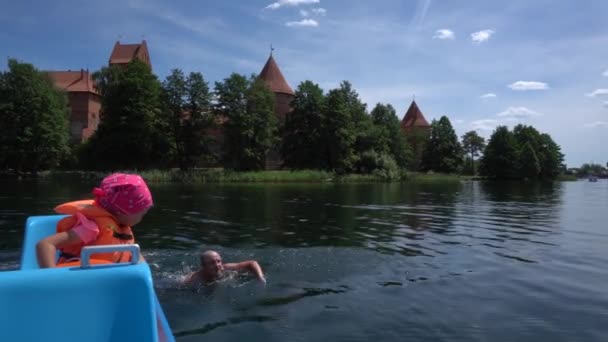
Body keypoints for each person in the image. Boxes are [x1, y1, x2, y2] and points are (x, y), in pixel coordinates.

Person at [36, 173, 153, 268]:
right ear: (122, 211)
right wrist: (52, 279)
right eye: (141, 213)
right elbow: (45, 244)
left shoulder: (121, 228)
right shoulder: (91, 228)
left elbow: (132, 254)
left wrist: (143, 272)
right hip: (77, 282)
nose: (142, 217)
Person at [184, 250, 266, 286]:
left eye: (218, 261)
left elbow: (252, 263)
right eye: (212, 263)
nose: (217, 265)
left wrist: (260, 277)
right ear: (204, 266)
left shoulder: (226, 268)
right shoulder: (194, 279)